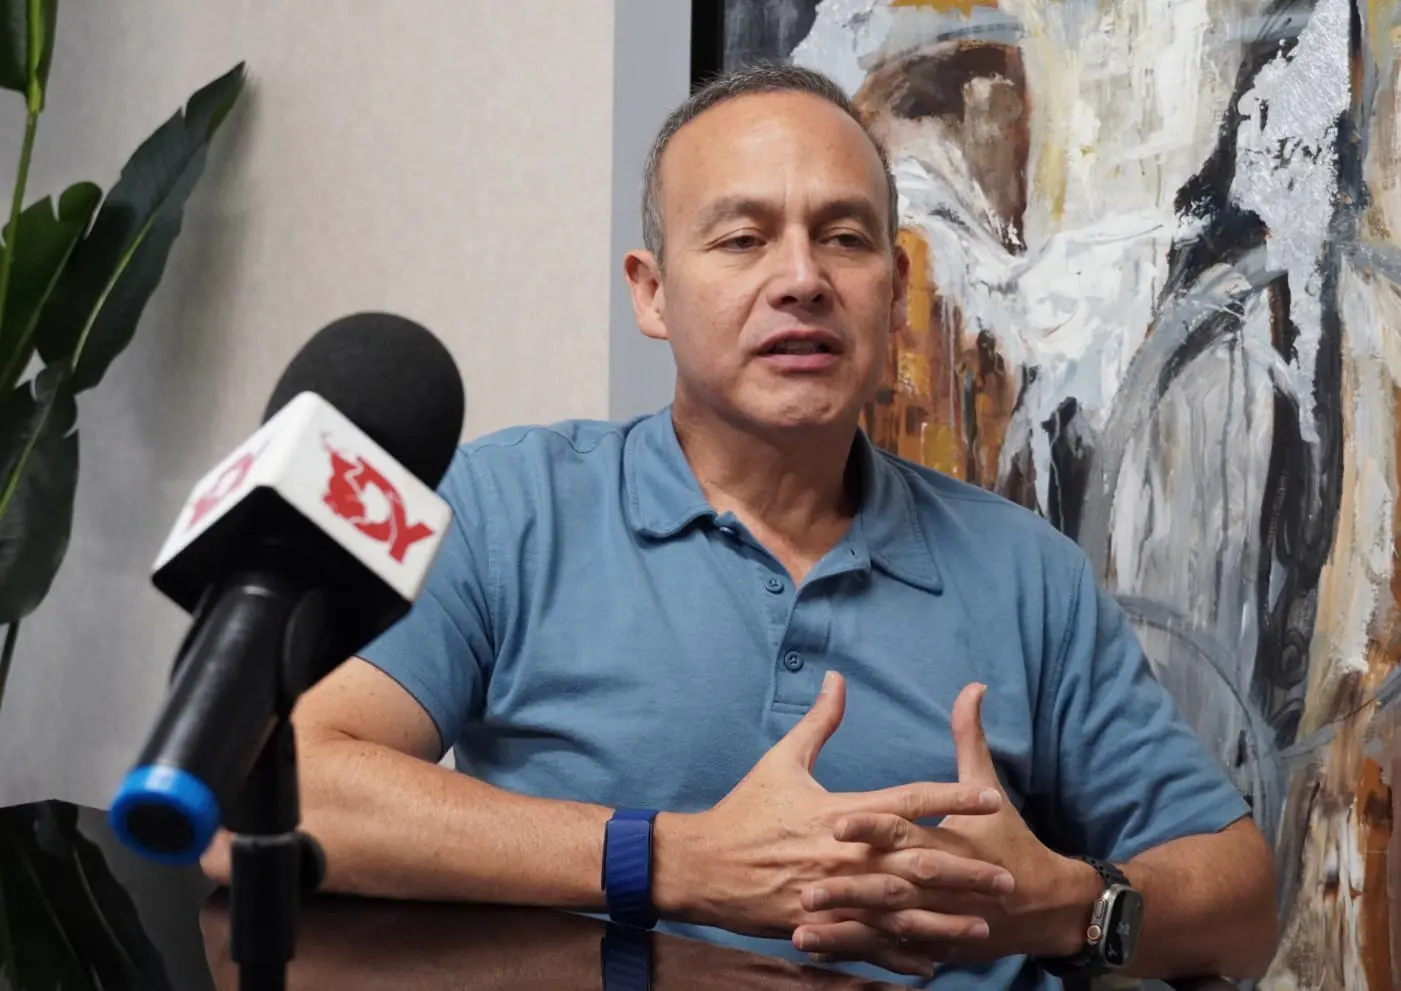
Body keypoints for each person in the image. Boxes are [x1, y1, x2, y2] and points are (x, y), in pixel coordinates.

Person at [202, 64, 1277, 989]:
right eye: (742, 238)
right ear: (652, 292)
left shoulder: (1025, 571)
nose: (800, 280)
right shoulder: (507, 504)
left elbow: (1240, 901)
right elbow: (260, 799)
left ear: (894, 289)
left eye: (844, 238)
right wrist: (667, 860)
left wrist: (1069, 905)